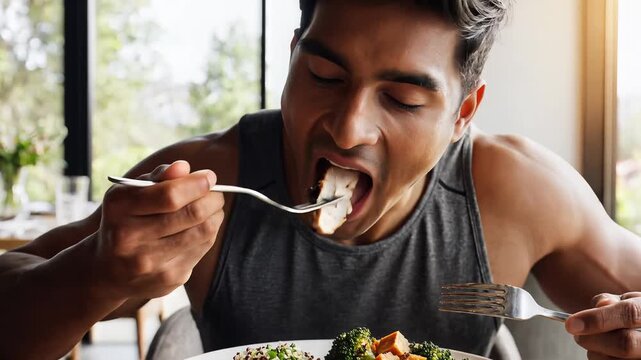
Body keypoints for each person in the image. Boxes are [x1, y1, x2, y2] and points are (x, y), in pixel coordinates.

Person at [1, 0, 640, 358]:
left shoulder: (514, 190)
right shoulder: (213, 177)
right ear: (292, 58)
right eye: (325, 79)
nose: (348, 127)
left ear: (461, 115)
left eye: (403, 99)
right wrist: (94, 273)